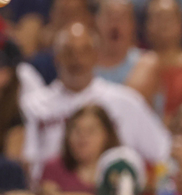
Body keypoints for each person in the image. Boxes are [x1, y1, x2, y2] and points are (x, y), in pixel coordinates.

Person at [20, 22, 170, 183]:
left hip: (115, 193)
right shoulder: (33, 105)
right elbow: (28, 161)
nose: (77, 59)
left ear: (96, 55)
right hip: (53, 191)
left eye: (84, 51)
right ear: (56, 58)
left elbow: (163, 152)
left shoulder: (126, 102)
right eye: (68, 52)